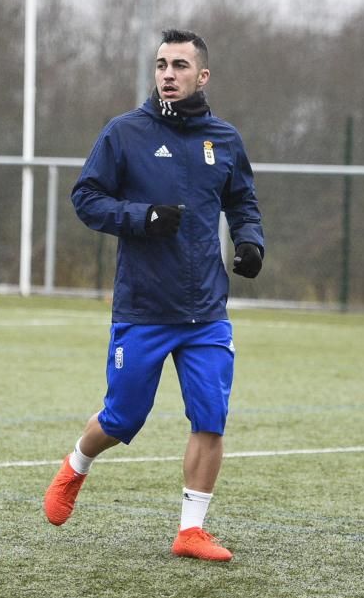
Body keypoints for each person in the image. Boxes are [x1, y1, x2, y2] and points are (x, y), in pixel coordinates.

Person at [43, 29, 264, 562]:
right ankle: (76, 465)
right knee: (122, 419)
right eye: (162, 64)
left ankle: (191, 531)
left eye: (180, 65)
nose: (168, 73)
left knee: (210, 416)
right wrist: (142, 218)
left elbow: (243, 201)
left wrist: (251, 241)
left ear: (202, 76)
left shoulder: (225, 140)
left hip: (206, 311)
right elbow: (86, 198)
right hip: (144, 308)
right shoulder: (124, 133)